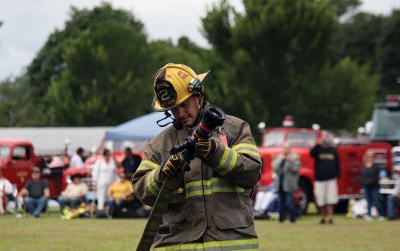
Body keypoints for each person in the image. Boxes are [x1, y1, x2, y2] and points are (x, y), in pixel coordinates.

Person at [132, 63, 261, 250]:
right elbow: (141, 190)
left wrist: (214, 152)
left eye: (184, 105)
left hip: (230, 243)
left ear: (199, 95)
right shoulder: (160, 145)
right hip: (178, 242)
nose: (180, 114)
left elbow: (252, 173)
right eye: (173, 109)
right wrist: (161, 175)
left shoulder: (235, 129)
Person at [310, 132, 340, 224]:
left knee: (330, 200)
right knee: (321, 200)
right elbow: (311, 153)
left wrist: (337, 175)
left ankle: (330, 218)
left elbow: (337, 164)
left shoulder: (333, 150)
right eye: (323, 137)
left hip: (331, 179)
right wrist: (317, 144)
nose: (325, 139)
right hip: (320, 179)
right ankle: (322, 218)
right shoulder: (318, 150)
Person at [272, 142, 301, 223]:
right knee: (280, 203)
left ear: (290, 149)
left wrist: (290, 162)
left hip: (288, 184)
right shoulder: (279, 157)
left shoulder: (295, 157)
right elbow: (274, 167)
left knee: (289, 203)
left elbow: (296, 170)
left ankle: (293, 218)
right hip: (279, 184)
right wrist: (281, 160)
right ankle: (281, 219)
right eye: (284, 148)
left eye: (287, 148)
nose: (286, 150)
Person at [361, 150, 384, 221]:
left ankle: (381, 214)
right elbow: (362, 176)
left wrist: (372, 181)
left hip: (374, 186)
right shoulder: (364, 165)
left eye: (371, 156)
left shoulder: (376, 166)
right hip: (366, 186)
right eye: (368, 155)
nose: (369, 157)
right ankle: (369, 215)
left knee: (376, 201)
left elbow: (377, 177)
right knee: (368, 202)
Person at [92, 148, 117, 215]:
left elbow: (115, 173)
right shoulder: (99, 162)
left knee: (110, 197)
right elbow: (95, 172)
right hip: (101, 183)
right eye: (108, 154)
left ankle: (109, 212)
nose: (109, 155)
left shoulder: (112, 161)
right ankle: (100, 212)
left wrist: (115, 182)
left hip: (111, 183)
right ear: (105, 155)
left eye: (110, 154)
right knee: (101, 197)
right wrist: (96, 182)